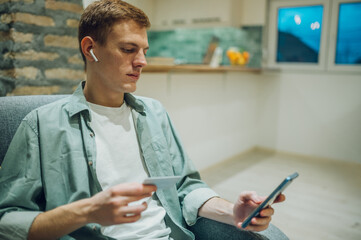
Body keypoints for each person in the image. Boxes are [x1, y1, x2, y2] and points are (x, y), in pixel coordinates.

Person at [0, 0, 289, 239]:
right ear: (90, 49)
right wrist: (88, 212)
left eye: (144, 51)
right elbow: (8, 221)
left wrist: (232, 212)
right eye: (128, 49)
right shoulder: (41, 124)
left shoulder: (154, 113)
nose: (143, 61)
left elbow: (186, 188)